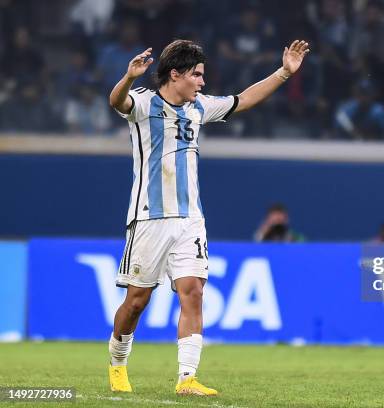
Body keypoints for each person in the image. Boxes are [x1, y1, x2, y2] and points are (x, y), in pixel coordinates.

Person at [107, 38, 309, 396]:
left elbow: (243, 99)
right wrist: (127, 76)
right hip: (149, 219)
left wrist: (284, 72)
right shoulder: (142, 103)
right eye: (197, 75)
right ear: (175, 74)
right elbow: (116, 101)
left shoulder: (200, 107)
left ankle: (187, 378)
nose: (202, 82)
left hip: (190, 220)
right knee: (137, 301)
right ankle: (118, 362)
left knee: (193, 291)